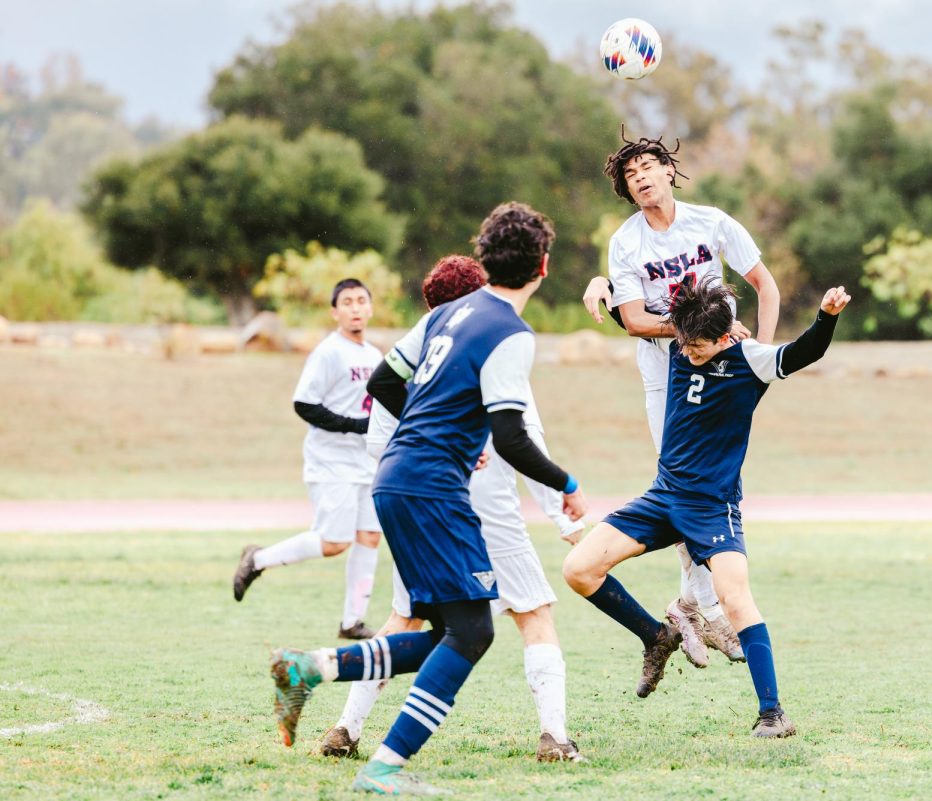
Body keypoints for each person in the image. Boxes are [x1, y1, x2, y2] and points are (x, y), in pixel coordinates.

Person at [267, 202, 588, 796]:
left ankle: (310, 668)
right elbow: (513, 435)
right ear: (543, 266)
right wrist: (566, 485)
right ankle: (384, 768)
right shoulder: (513, 334)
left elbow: (386, 383)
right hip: (433, 487)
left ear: (484, 257)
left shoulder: (449, 314)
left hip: (393, 479)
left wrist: (430, 425)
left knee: (450, 630)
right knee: (472, 634)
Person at [563, 278, 850, 737]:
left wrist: (826, 317)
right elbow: (631, 319)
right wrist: (603, 286)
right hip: (662, 498)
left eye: (697, 347)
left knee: (736, 599)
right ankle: (657, 636)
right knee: (578, 569)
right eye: (684, 344)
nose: (688, 353)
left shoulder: (750, 359)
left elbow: (804, 352)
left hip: (714, 507)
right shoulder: (684, 340)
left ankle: (773, 714)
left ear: (722, 337)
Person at [580, 131, 782, 668]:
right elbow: (633, 322)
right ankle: (707, 607)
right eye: (630, 173)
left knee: (722, 488)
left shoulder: (712, 222)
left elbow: (766, 286)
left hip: (724, 371)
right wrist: (697, 328)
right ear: (627, 189)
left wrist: (754, 350)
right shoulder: (627, 242)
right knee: (685, 488)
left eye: (649, 165)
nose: (641, 175)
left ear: (670, 170)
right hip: (664, 378)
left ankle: (693, 603)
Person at [232, 278, 382, 640]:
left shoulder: (376, 356)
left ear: (371, 308)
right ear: (335, 312)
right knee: (334, 543)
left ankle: (351, 622)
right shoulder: (329, 352)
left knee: (370, 537)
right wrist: (354, 426)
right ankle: (258, 559)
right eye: (347, 302)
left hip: (368, 462)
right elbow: (304, 404)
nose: (355, 307)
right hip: (332, 461)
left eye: (361, 300)